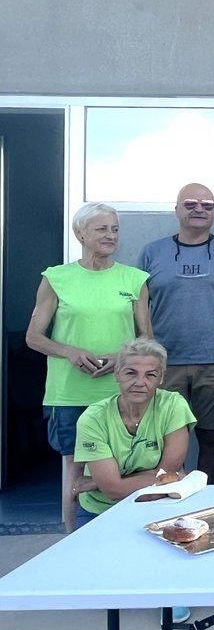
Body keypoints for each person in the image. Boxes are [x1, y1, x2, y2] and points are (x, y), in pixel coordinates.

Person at [26, 202, 151, 532]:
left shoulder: (135, 279)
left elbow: (146, 339)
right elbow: (34, 337)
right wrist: (68, 350)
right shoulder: (56, 278)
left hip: (121, 393)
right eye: (102, 229)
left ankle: (125, 535)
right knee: (74, 469)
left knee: (126, 465)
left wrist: (119, 358)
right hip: (69, 393)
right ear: (80, 233)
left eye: (115, 229)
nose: (111, 235)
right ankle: (70, 540)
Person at [138, 183, 214, 482]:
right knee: (161, 438)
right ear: (176, 209)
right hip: (164, 365)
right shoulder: (152, 253)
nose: (199, 209)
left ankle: (205, 501)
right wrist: (146, 360)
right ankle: (164, 498)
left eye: (207, 205)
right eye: (190, 204)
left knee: (211, 438)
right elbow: (139, 311)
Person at [72, 338, 194, 528]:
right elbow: (113, 490)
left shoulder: (173, 405)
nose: (140, 382)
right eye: (131, 373)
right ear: (117, 374)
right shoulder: (93, 418)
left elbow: (165, 474)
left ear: (161, 378)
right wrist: (173, 478)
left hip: (157, 506)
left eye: (150, 375)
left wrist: (98, 483)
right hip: (101, 510)